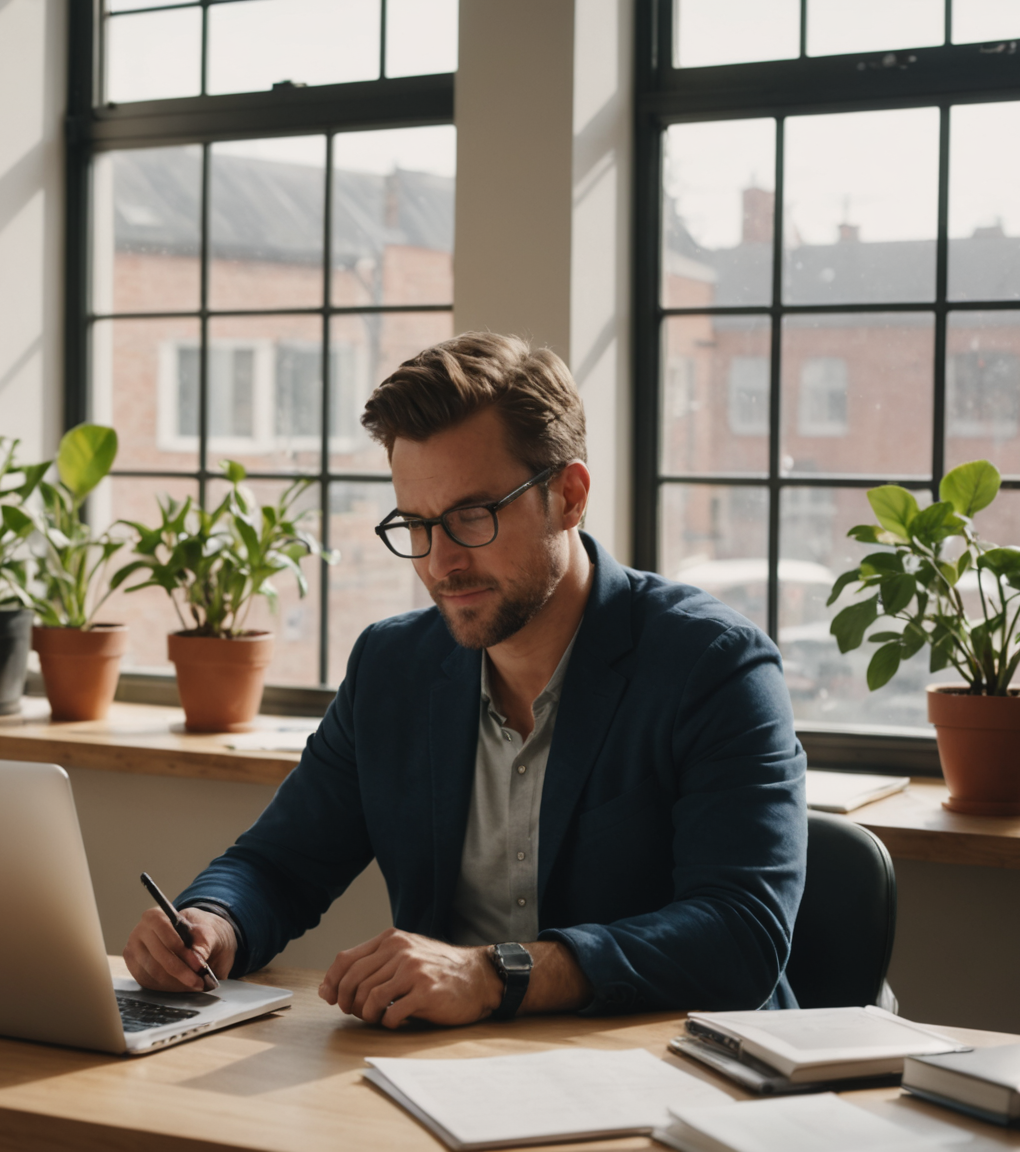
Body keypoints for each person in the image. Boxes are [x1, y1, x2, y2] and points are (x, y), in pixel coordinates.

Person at [122, 331, 807, 1027]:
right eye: (416, 524)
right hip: (442, 1078)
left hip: (673, 1079)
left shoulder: (714, 666)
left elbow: (738, 935)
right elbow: (280, 864)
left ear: (568, 497)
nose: (441, 562)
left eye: (471, 517)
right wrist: (211, 922)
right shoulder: (392, 668)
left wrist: (493, 973)